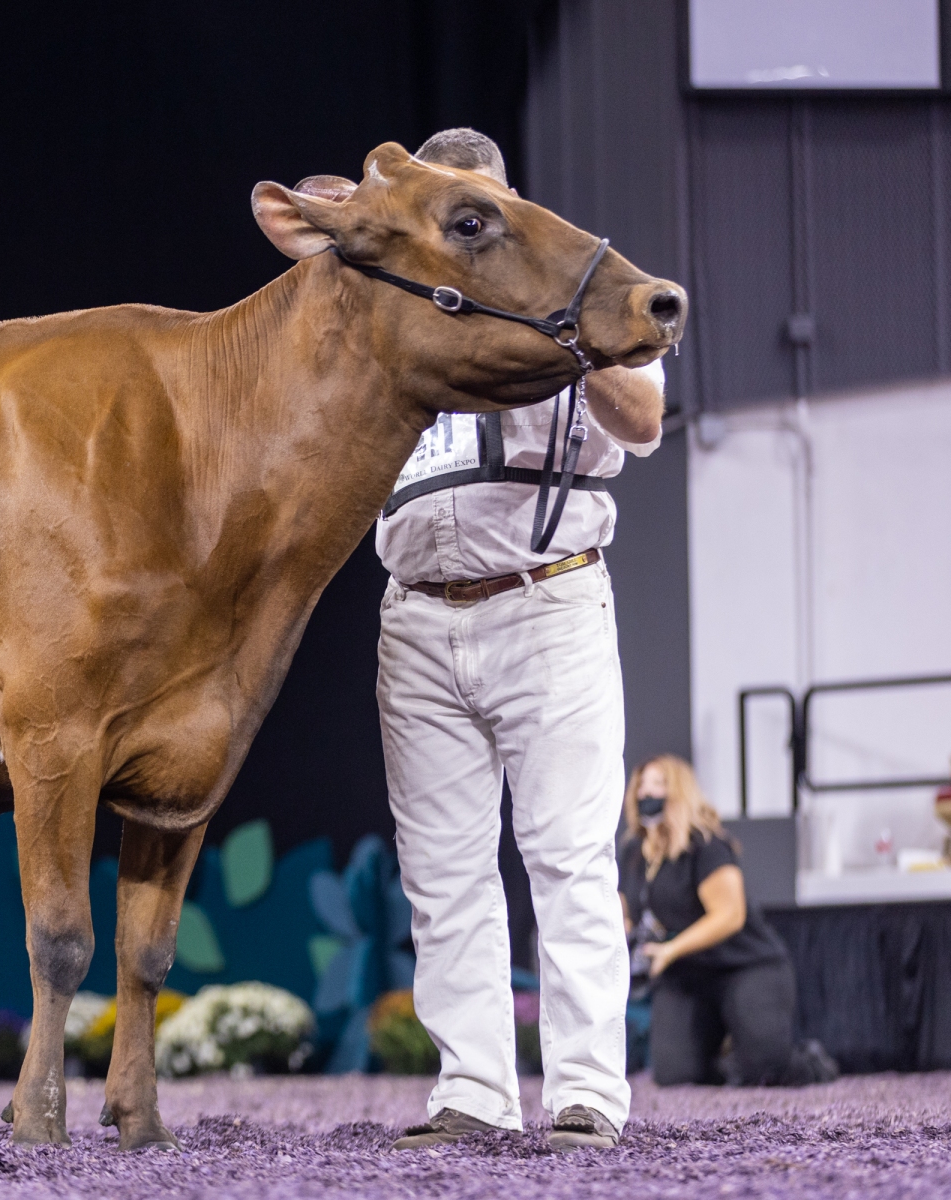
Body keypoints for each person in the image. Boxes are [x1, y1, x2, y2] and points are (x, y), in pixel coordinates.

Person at [378, 128, 667, 1152]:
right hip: (414, 611)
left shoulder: (568, 279)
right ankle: (473, 1093)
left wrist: (571, 334)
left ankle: (586, 1091)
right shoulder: (398, 304)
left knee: (568, 856)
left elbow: (644, 420)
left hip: (547, 597)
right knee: (441, 871)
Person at [621, 754, 837, 1087]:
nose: (646, 793)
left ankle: (809, 1063)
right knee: (675, 1075)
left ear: (679, 791)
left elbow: (729, 916)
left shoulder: (707, 846)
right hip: (685, 976)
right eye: (642, 785)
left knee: (766, 1067)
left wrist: (671, 949)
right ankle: (722, 1056)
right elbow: (626, 913)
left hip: (744, 965)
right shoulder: (632, 853)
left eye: (658, 784)